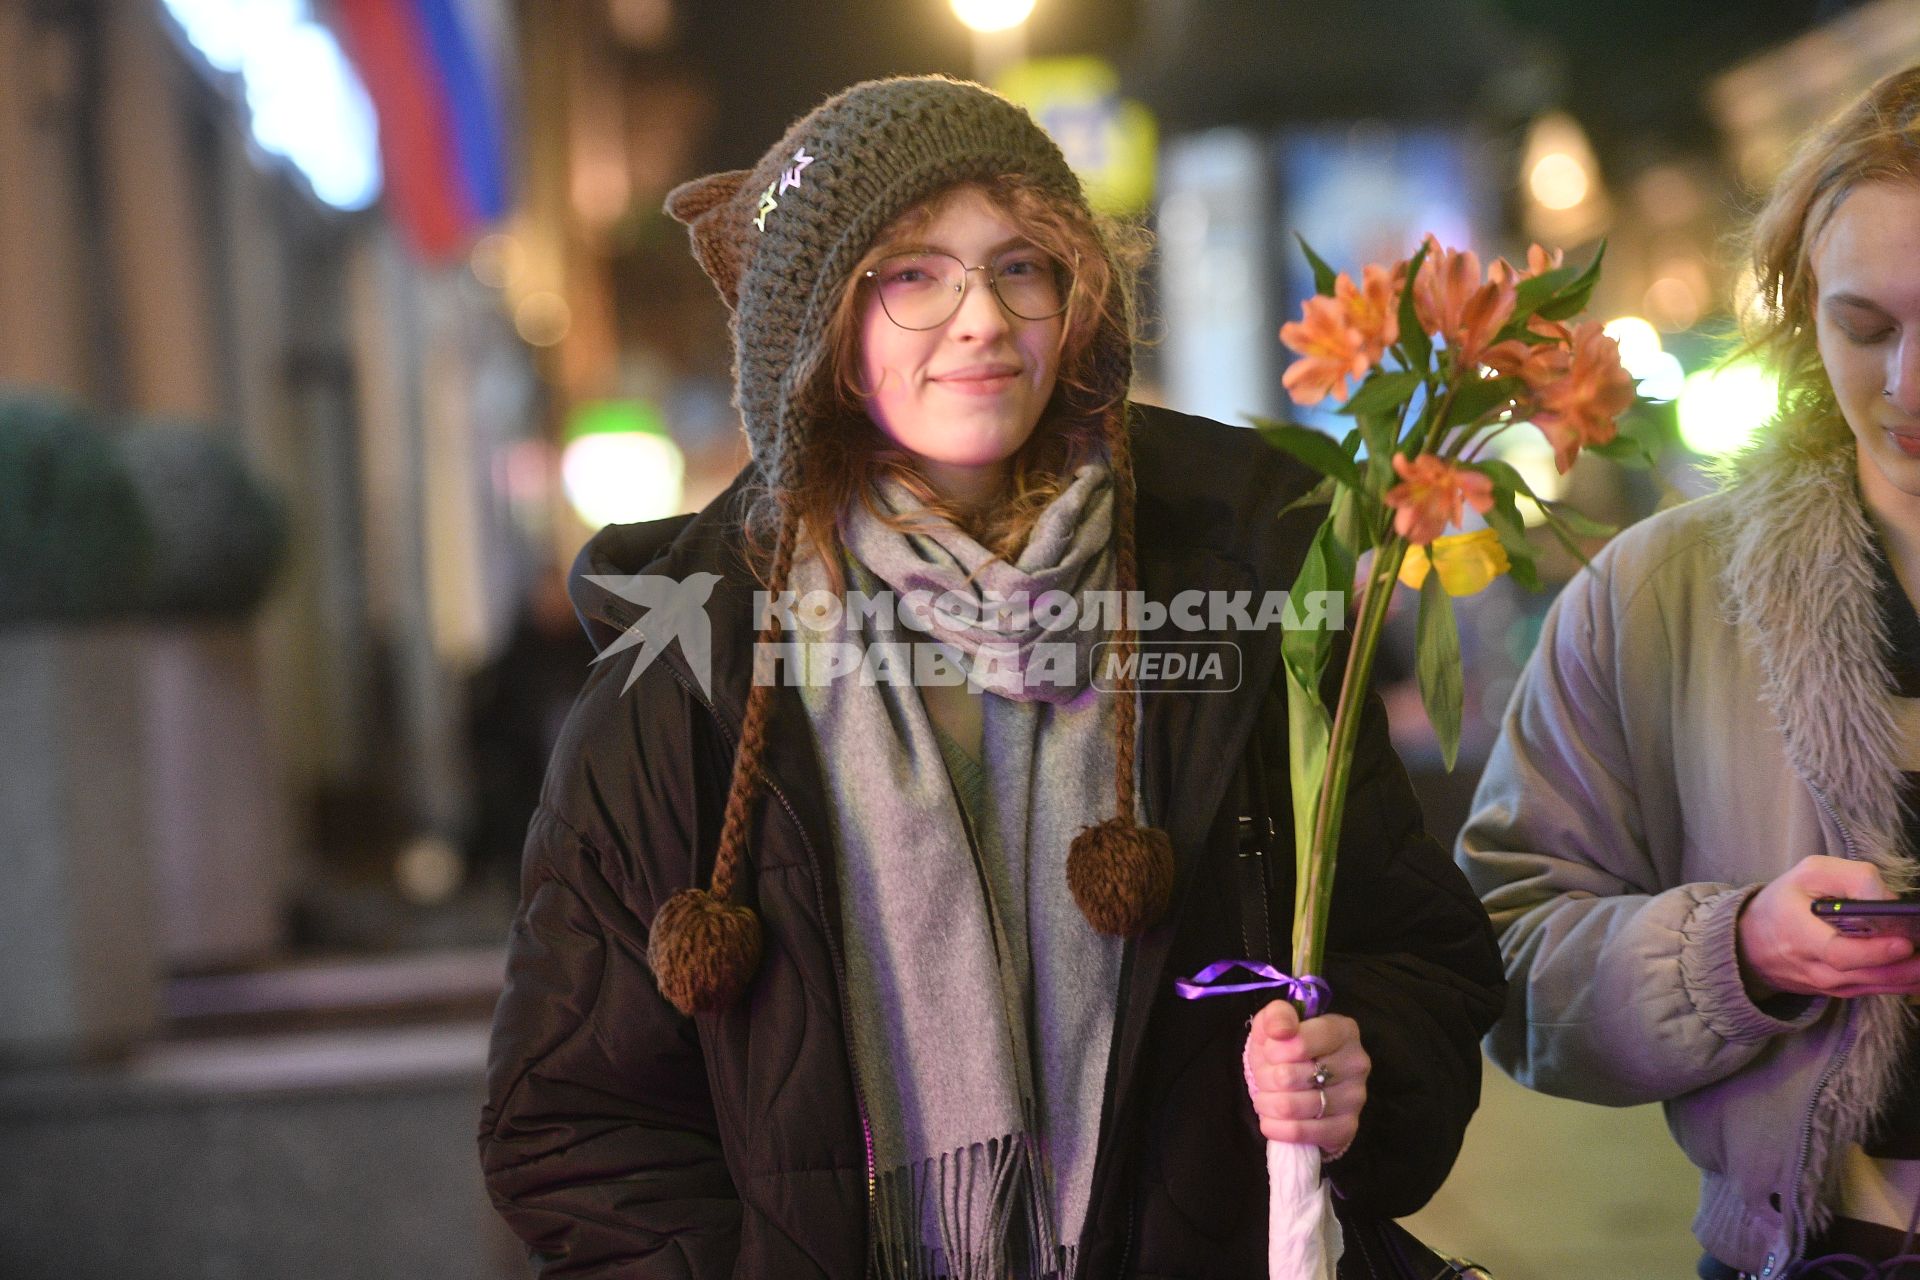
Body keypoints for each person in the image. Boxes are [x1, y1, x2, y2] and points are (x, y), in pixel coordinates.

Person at [479, 75, 1503, 1279]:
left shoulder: (1244, 597)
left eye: (1021, 266)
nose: (980, 319)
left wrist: (1354, 1068)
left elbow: (1421, 958)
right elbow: (573, 1124)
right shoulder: (680, 682)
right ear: (821, 331)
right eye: (912, 274)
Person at [1458, 66, 1920, 1280]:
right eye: (1865, 327)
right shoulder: (1659, 593)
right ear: (1804, 313)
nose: (1907, 386)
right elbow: (1500, 957)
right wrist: (1739, 951)